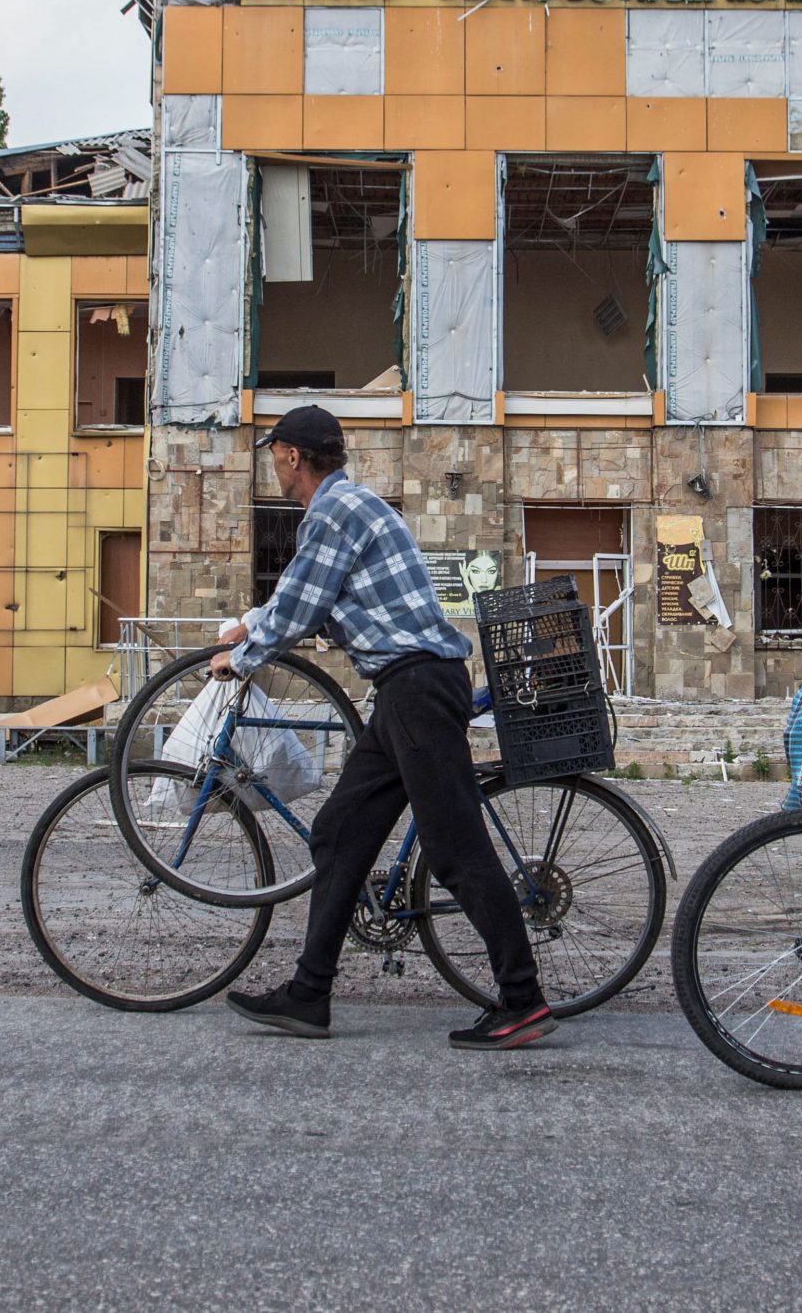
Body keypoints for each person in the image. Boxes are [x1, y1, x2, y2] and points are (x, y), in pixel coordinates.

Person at [217, 405, 554, 1051]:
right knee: (340, 831)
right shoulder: (348, 508)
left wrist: (244, 653)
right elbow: (301, 591)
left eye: (274, 454)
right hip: (405, 689)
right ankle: (310, 993)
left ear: (290, 455)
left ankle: (523, 998)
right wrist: (251, 624)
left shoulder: (335, 511)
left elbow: (302, 603)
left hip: (418, 686)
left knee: (454, 847)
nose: (273, 465)